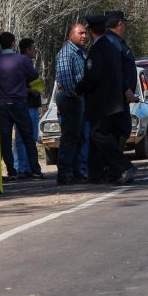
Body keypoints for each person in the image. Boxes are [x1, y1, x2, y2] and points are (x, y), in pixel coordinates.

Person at [75, 14, 136, 184]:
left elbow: (93, 76)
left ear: (90, 30)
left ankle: (123, 166)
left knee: (99, 135)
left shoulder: (98, 49)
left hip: (102, 101)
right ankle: (97, 173)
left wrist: (78, 89)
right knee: (99, 137)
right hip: (113, 100)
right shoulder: (111, 47)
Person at [0, 32, 45, 179]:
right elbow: (35, 76)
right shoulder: (21, 60)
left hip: (2, 103)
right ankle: (35, 169)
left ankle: (11, 171)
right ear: (13, 44)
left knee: (5, 139)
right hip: (19, 102)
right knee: (28, 137)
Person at [54, 23, 89, 185]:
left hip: (77, 98)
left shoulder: (79, 52)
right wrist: (74, 94)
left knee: (79, 136)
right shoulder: (67, 53)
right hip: (70, 99)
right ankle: (65, 173)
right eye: (80, 33)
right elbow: (65, 77)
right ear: (71, 35)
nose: (84, 36)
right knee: (69, 137)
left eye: (85, 33)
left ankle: (77, 171)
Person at [104, 10, 137, 150]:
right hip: (117, 97)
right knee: (120, 130)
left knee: (121, 130)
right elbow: (115, 70)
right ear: (119, 24)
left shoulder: (114, 41)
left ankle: (115, 163)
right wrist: (126, 89)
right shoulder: (112, 42)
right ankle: (114, 164)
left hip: (119, 96)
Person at [13, 38, 42, 176]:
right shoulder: (21, 63)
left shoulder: (27, 63)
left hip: (31, 104)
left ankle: (26, 167)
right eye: (33, 48)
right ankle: (21, 167)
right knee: (24, 138)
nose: (35, 50)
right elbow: (17, 84)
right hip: (26, 105)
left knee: (30, 138)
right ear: (27, 50)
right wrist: (30, 91)